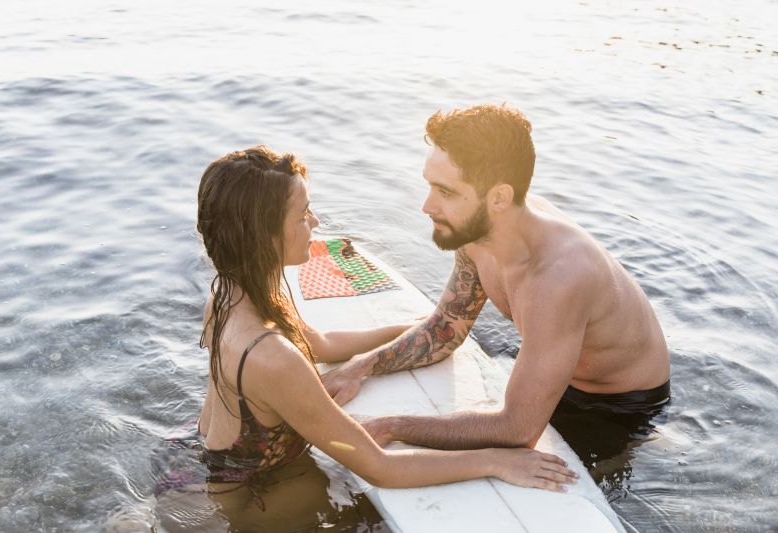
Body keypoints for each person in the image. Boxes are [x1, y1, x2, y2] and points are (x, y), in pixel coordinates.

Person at [153, 145, 576, 532]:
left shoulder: (227, 294)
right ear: (265, 238)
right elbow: (380, 468)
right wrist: (496, 461)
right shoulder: (272, 359)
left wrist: (414, 327)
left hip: (197, 461)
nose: (315, 223)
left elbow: (319, 343)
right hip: (247, 501)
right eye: (302, 216)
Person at [322, 104, 671, 473]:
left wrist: (393, 426)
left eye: (446, 192)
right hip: (559, 372)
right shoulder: (476, 231)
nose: (427, 206)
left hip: (619, 408)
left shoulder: (558, 276)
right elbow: (445, 330)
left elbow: (518, 431)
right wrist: (359, 367)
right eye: (429, 186)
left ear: (499, 198)